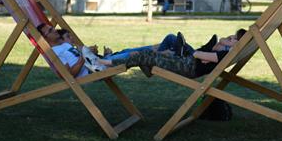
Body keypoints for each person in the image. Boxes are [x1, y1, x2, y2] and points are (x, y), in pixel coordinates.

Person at [104, 28, 247, 79]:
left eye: (234, 39)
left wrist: (199, 54)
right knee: (171, 38)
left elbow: (198, 56)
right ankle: (169, 53)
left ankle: (105, 62)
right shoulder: (223, 51)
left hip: (188, 66)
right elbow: (205, 54)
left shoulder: (224, 55)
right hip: (189, 61)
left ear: (237, 45)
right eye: (232, 36)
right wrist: (223, 42)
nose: (231, 37)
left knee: (143, 53)